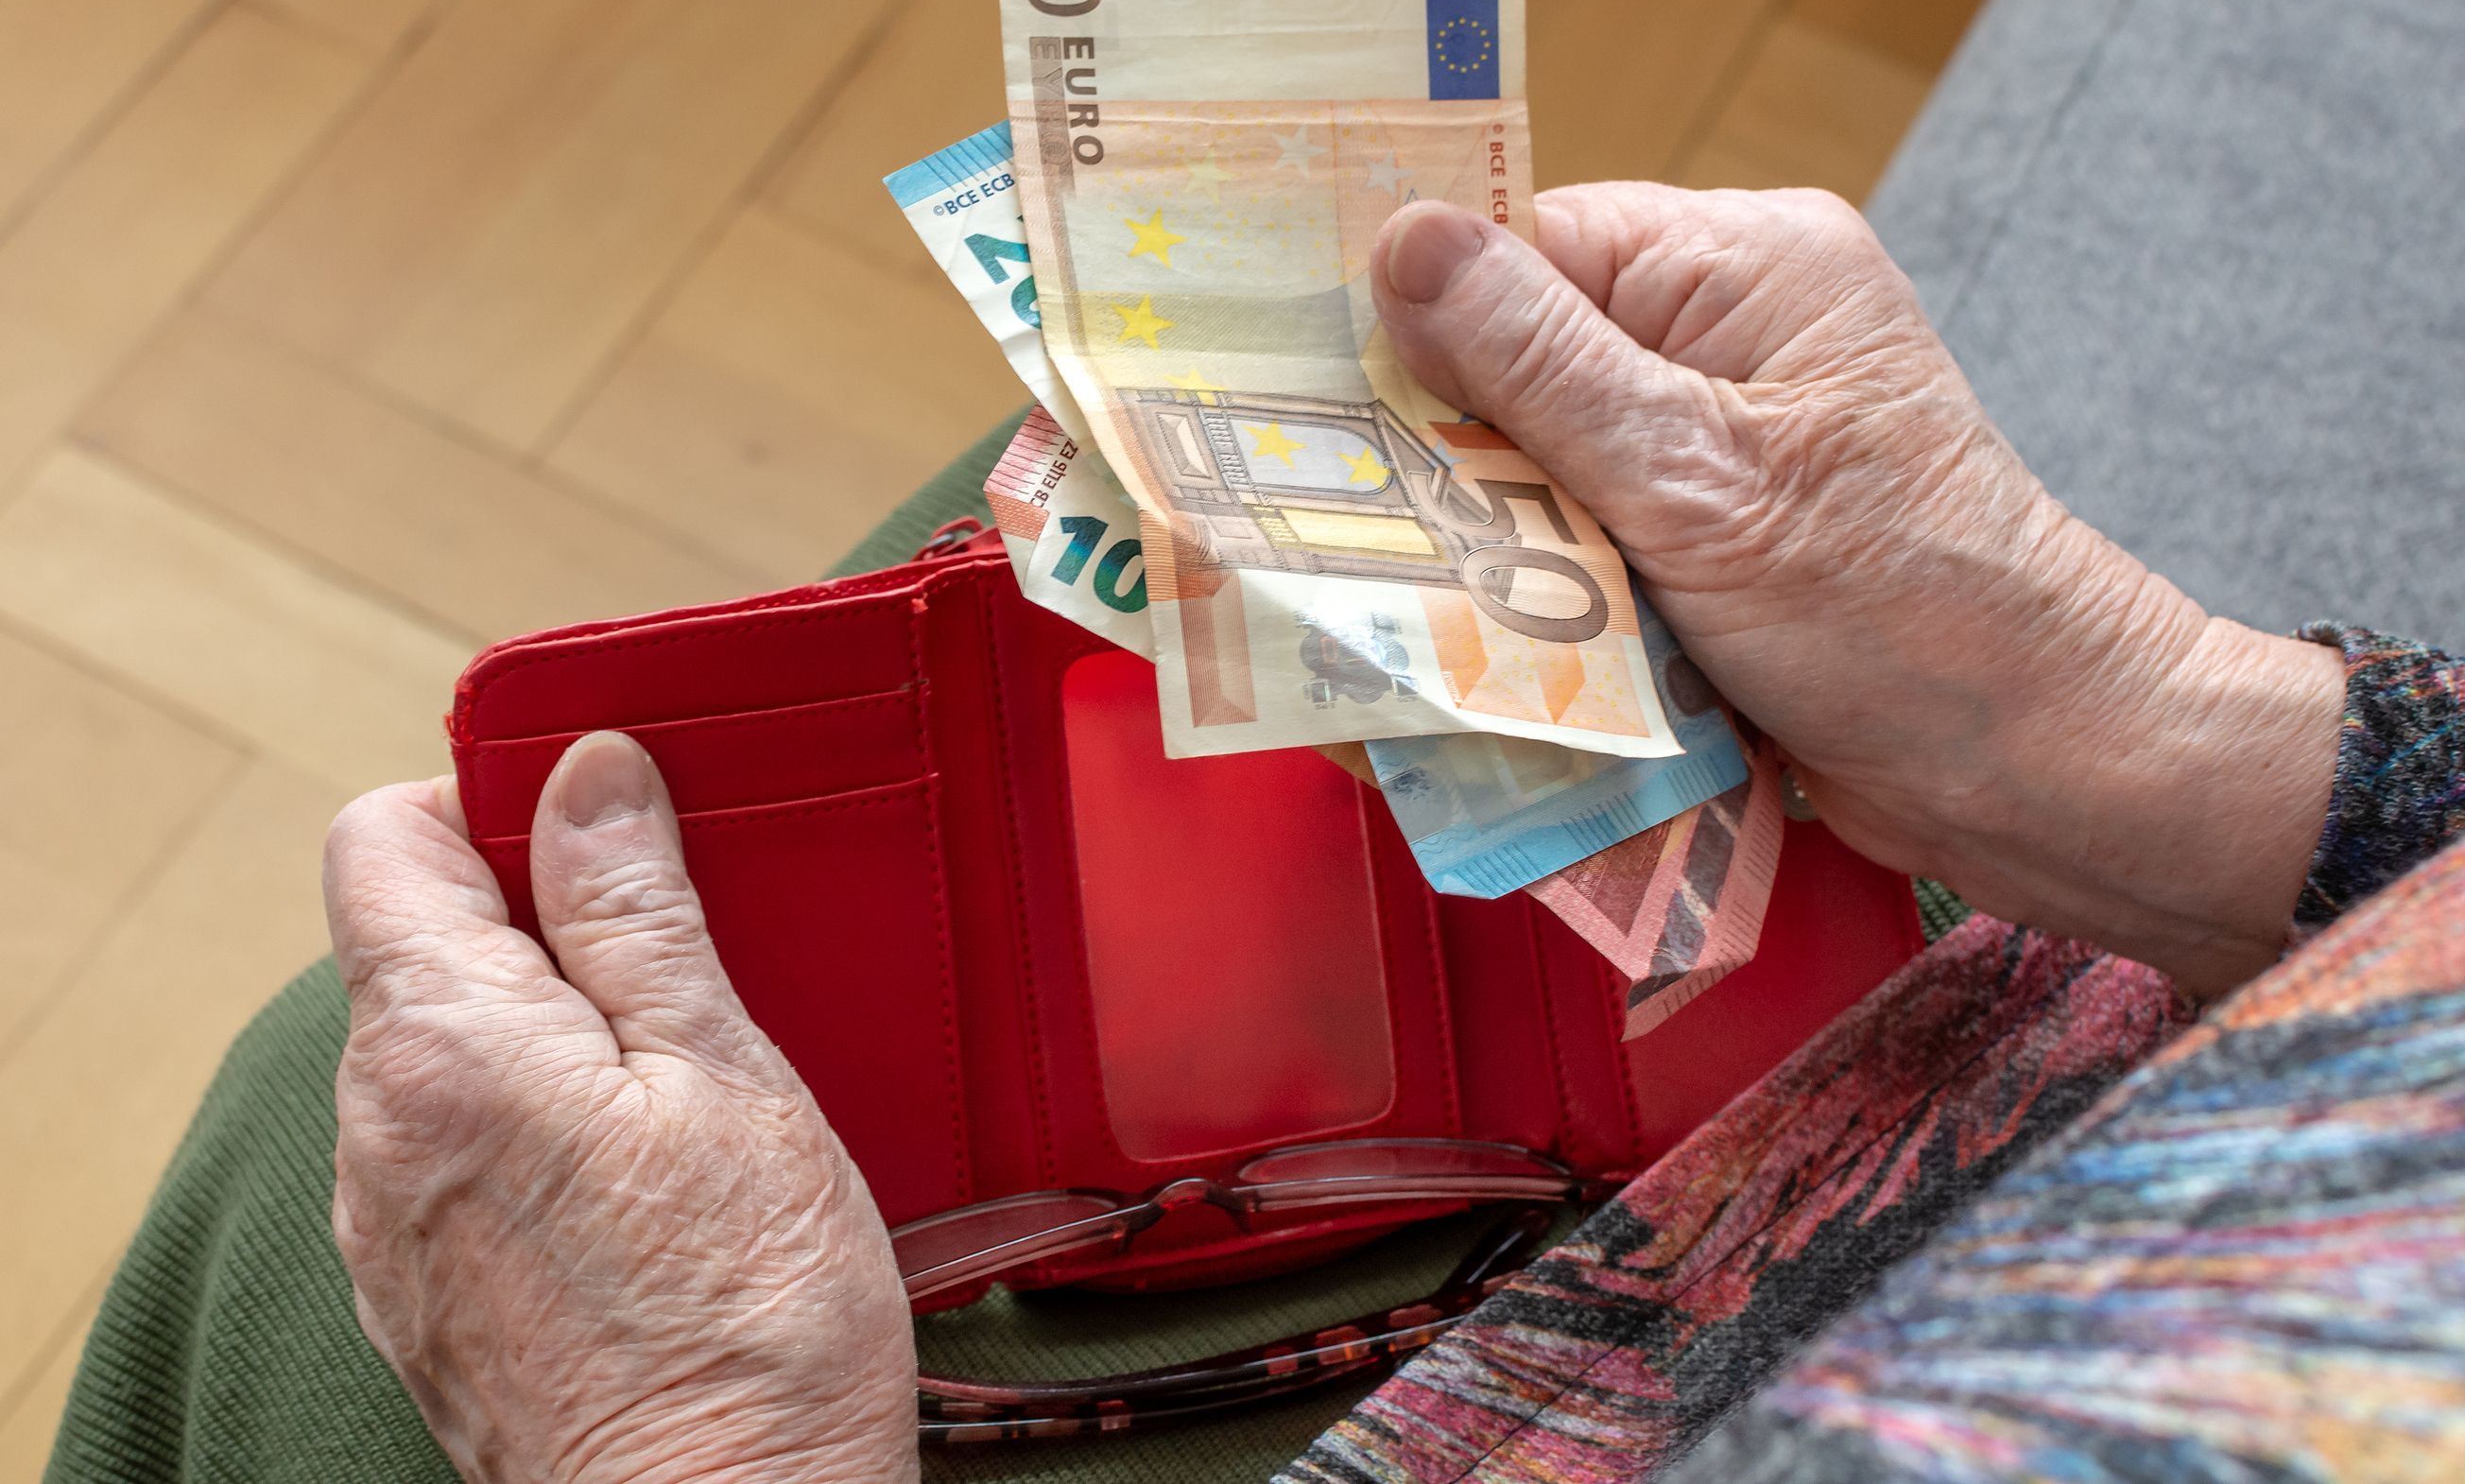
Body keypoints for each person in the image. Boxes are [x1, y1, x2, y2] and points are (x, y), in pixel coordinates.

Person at [315, 184, 2464, 1484]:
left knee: (317, 1148)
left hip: (1706, 1310)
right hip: (2162, 1047)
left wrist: (697, 1438)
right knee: (1076, 552)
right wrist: (2137, 744)